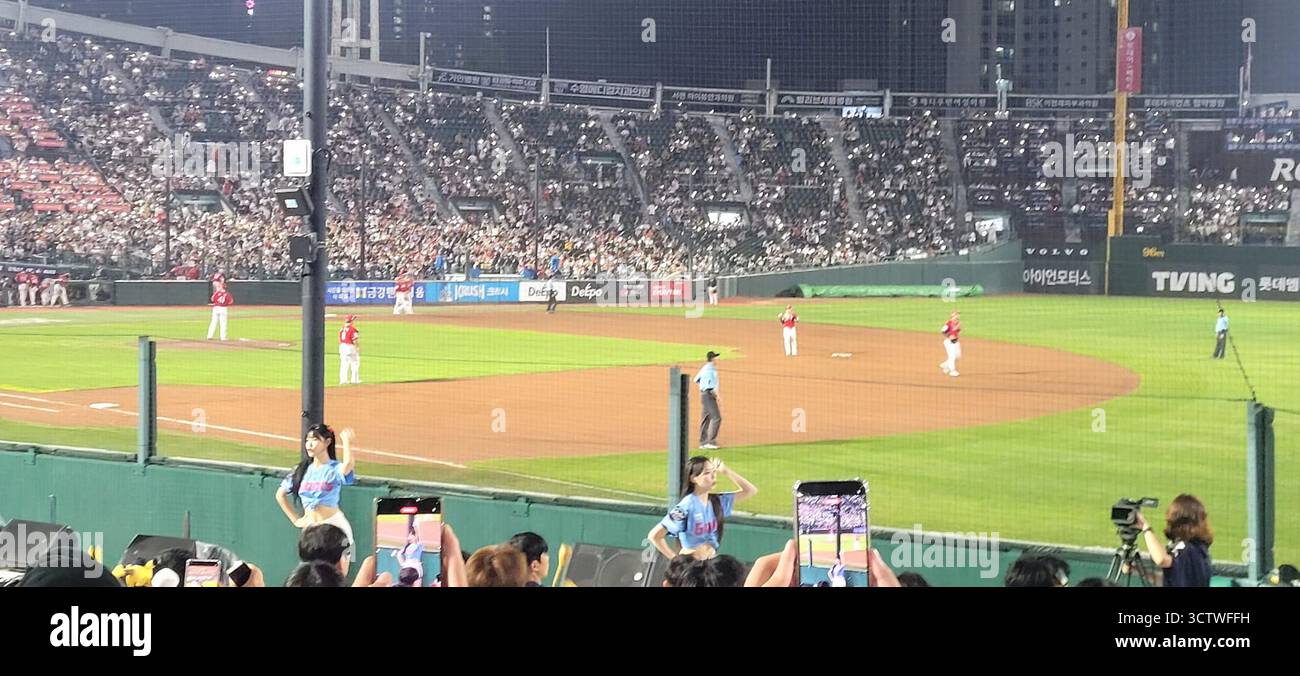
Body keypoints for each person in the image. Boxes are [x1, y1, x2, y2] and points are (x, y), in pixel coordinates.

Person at [647, 456, 757, 561]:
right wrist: (675, 560)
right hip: (692, 566)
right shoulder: (687, 505)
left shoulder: (716, 502)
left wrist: (726, 471)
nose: (713, 476)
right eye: (707, 473)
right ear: (693, 478)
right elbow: (655, 536)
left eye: (714, 472)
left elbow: (750, 490)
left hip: (710, 562)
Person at [275, 424, 358, 562]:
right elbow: (280, 495)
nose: (309, 444)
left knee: (341, 567)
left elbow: (348, 465)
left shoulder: (334, 468)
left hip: (335, 526)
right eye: (307, 440)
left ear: (327, 442)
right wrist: (296, 520)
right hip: (311, 529)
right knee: (309, 570)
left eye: (314, 440)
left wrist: (347, 442)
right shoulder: (301, 470)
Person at [1137, 494, 1213, 588]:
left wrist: (1145, 527)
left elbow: (1161, 560)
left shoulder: (1189, 549)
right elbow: (1172, 580)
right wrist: (1139, 570)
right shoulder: (1199, 548)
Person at [694, 351, 722, 449]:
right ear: (712, 359)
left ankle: (703, 442)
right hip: (709, 395)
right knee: (717, 417)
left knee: (706, 418)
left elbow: (696, 379)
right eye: (716, 358)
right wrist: (717, 396)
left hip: (703, 394)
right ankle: (711, 442)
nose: (717, 360)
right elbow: (712, 386)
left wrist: (702, 387)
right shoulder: (711, 370)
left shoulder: (704, 368)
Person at [338, 314, 361, 385]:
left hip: (342, 346)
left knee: (344, 364)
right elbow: (354, 340)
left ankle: (343, 380)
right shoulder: (352, 329)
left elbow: (340, 339)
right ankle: (355, 380)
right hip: (350, 347)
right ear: (351, 321)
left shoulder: (342, 329)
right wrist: (357, 347)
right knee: (355, 363)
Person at [940, 310, 961, 377]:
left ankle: (945, 365)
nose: (957, 316)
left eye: (958, 314)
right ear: (952, 316)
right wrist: (949, 336)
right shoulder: (948, 323)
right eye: (955, 314)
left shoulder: (958, 323)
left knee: (958, 356)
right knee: (952, 356)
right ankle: (952, 371)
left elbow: (957, 332)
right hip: (949, 342)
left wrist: (957, 330)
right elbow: (943, 331)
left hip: (955, 342)